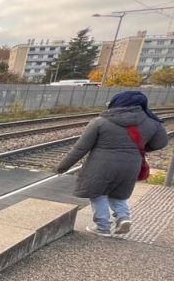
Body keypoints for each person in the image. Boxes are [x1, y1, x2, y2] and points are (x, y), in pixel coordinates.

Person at [56, 90, 168, 237]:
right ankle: (123, 217)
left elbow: (81, 148)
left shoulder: (101, 121)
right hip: (131, 165)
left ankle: (103, 227)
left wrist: (62, 166)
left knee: (98, 194)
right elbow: (161, 143)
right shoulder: (152, 122)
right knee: (118, 194)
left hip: (101, 166)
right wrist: (140, 148)